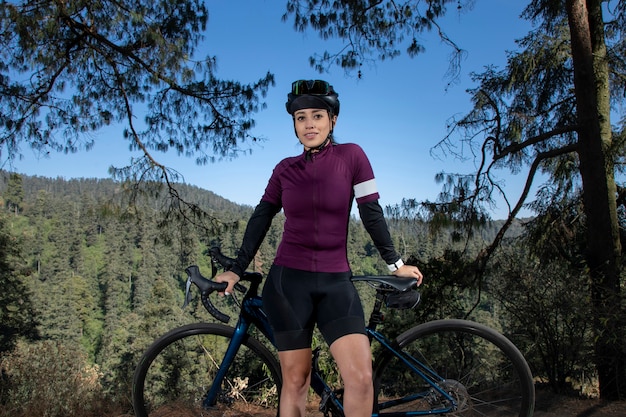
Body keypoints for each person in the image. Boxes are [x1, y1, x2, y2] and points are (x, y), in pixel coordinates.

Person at [215, 79, 423, 417]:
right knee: (296, 380)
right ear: (294, 124)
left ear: (333, 120)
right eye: (300, 117)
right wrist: (236, 269)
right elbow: (261, 217)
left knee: (361, 378)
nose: (309, 124)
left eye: (317, 116)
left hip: (335, 283)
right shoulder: (284, 170)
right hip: (288, 286)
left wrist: (395, 264)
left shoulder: (352, 156)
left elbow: (371, 212)